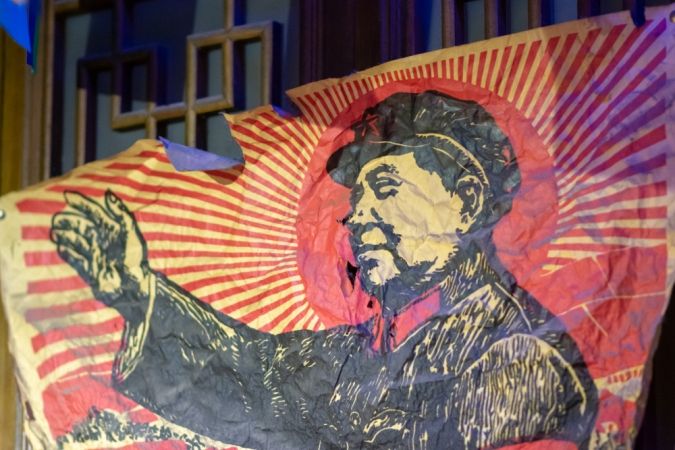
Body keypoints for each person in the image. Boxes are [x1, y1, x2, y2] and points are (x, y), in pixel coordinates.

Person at [51, 91, 597, 449]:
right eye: (357, 200)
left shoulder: (522, 364)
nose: (358, 217)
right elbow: (252, 373)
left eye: (385, 189)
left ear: (467, 200)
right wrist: (138, 291)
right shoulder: (359, 349)